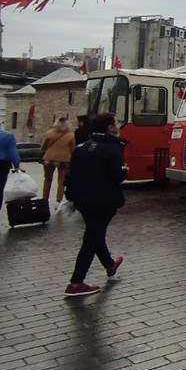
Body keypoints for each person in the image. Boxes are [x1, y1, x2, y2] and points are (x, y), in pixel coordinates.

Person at [63, 112, 127, 297]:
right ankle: (76, 283)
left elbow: (71, 175)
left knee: (95, 233)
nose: (118, 125)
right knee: (91, 239)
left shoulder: (83, 147)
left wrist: (72, 197)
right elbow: (117, 175)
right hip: (104, 201)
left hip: (83, 200)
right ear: (109, 127)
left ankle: (109, 265)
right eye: (116, 122)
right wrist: (125, 171)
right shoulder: (113, 148)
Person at [40, 118, 76, 204]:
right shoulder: (71, 135)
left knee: (47, 179)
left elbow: (43, 147)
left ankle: (45, 199)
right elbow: (73, 149)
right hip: (64, 159)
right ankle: (58, 201)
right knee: (61, 181)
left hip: (49, 158)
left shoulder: (49, 133)